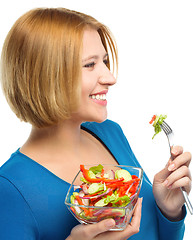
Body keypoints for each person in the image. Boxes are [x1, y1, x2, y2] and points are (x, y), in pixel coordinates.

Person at [0, 7, 191, 240]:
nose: (110, 77)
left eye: (105, 61)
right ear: (45, 75)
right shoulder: (10, 189)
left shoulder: (110, 133)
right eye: (90, 65)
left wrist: (168, 212)